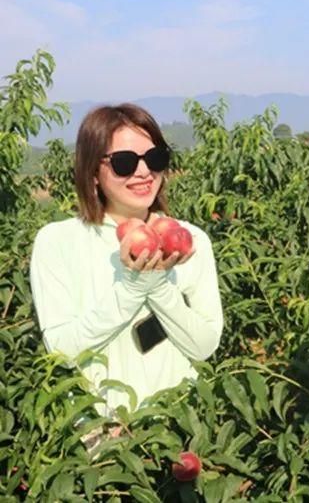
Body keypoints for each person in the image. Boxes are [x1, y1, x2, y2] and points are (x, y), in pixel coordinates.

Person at [29, 103, 224, 420]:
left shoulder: (191, 241)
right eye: (124, 163)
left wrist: (158, 287)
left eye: (155, 158)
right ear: (92, 171)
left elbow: (204, 346)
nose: (144, 172)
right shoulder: (58, 243)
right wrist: (133, 289)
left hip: (178, 431)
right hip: (101, 443)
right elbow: (63, 350)